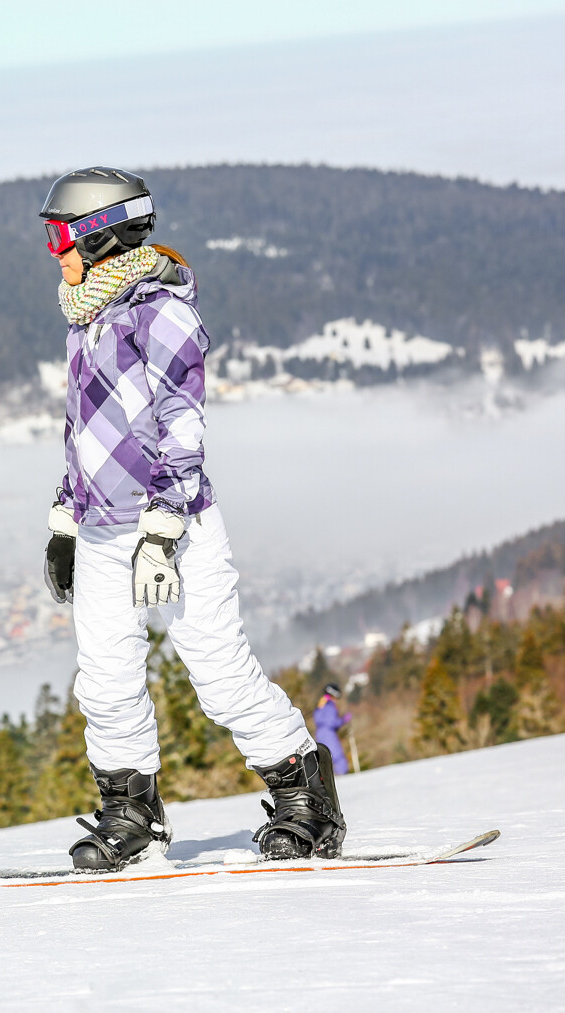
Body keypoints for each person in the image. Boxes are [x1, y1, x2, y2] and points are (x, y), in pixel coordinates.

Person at [38, 166, 346, 872]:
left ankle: (307, 798)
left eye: (59, 234)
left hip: (172, 530)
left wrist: (164, 526)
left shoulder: (161, 313)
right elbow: (83, 432)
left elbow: (182, 426)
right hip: (102, 530)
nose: (54, 252)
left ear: (100, 233)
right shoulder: (88, 316)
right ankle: (131, 817)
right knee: (106, 679)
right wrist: (64, 519)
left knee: (218, 670)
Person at [314, 684, 352, 775]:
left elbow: (317, 717)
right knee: (337, 756)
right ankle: (343, 774)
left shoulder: (321, 703)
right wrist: (343, 720)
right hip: (328, 733)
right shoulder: (329, 705)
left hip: (319, 733)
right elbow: (332, 722)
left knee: (324, 757)